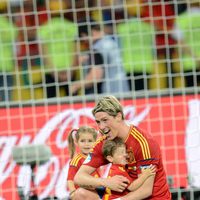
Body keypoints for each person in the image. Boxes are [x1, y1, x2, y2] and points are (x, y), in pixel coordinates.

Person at [74, 95, 171, 200]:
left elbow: (145, 191)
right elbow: (79, 178)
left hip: (151, 198)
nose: (101, 127)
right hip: (124, 196)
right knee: (80, 194)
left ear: (118, 116)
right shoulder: (104, 142)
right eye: (98, 122)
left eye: (105, 120)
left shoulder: (143, 142)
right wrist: (106, 182)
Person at [70, 21, 130, 95]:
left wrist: (76, 86)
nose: (84, 41)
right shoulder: (111, 43)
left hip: (107, 96)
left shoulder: (97, 49)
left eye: (83, 37)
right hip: (122, 91)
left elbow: (96, 76)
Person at [37, 0, 77, 98]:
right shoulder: (72, 27)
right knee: (73, 102)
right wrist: (70, 70)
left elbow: (43, 52)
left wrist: (54, 71)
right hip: (69, 69)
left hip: (51, 70)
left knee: (51, 103)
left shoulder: (44, 28)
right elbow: (75, 50)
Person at [67, 126, 100, 200]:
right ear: (76, 142)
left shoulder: (96, 157)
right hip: (84, 194)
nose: (86, 144)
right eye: (82, 141)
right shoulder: (76, 160)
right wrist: (73, 192)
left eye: (90, 141)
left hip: (96, 190)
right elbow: (70, 179)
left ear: (95, 141)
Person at [0, 3, 18, 102]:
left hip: (5, 67)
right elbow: (15, 35)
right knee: (6, 100)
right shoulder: (10, 27)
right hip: (6, 66)